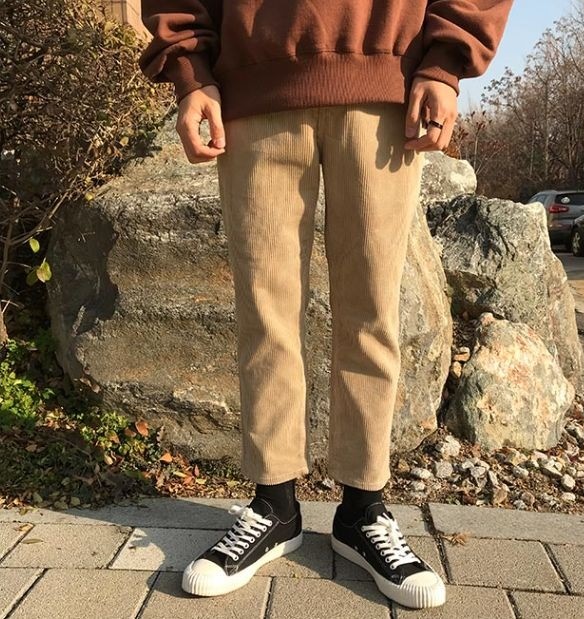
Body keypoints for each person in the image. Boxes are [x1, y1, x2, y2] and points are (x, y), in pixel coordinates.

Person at [138, 0, 512, 609]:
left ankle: (362, 511)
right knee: (265, 314)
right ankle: (275, 508)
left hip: (385, 81)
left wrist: (445, 62)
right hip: (254, 84)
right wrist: (190, 70)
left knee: (373, 313)